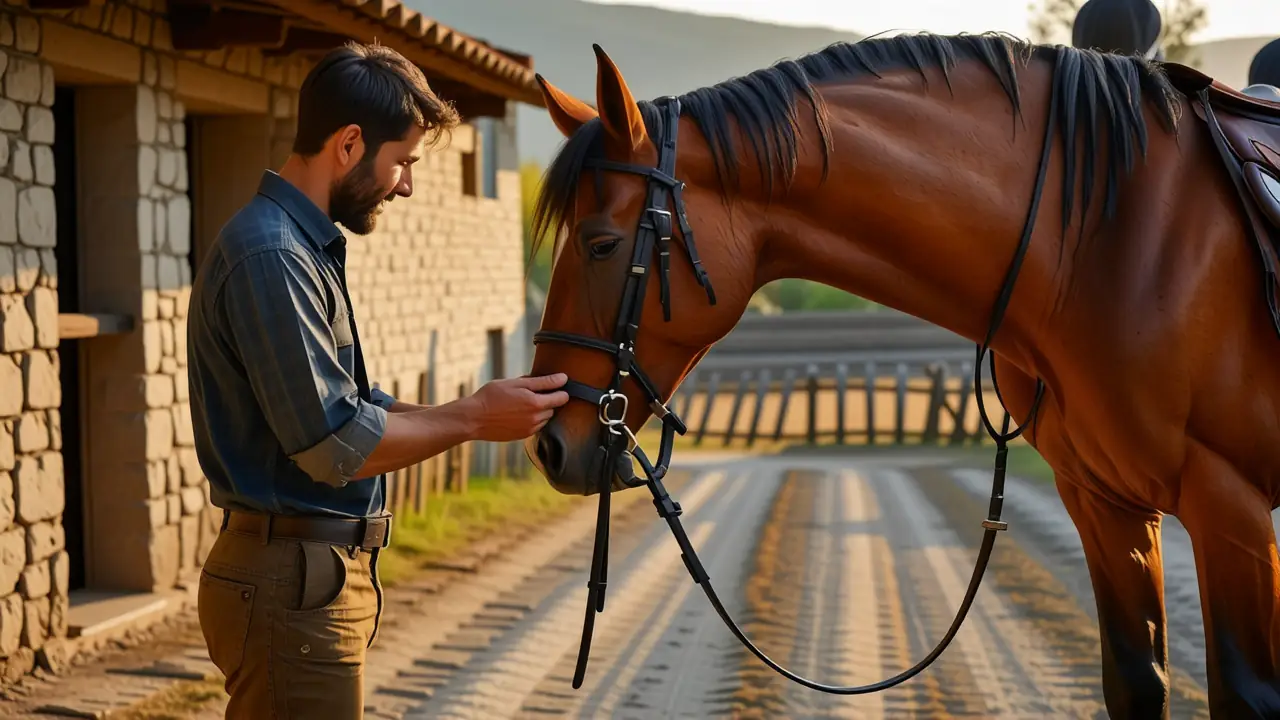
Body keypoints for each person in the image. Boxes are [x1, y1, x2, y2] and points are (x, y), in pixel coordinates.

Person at [185, 41, 569, 719]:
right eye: (403, 163)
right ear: (350, 143)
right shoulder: (273, 255)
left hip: (308, 581)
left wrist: (482, 409)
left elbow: (357, 408)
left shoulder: (300, 245)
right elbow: (335, 442)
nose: (408, 185)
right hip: (289, 587)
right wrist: (476, 418)